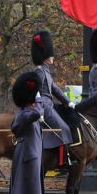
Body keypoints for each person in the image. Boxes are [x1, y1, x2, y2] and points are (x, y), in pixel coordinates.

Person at [8, 71, 45, 194]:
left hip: (28, 156)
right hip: (29, 157)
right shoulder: (25, 113)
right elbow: (36, 114)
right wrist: (37, 100)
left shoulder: (24, 112)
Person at [31, 30, 74, 166]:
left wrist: (69, 102)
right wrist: (39, 111)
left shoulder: (45, 70)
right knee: (64, 129)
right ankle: (62, 161)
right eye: (51, 55)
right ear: (45, 56)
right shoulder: (39, 70)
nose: (53, 57)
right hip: (44, 106)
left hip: (49, 104)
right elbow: (36, 92)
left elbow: (55, 89)